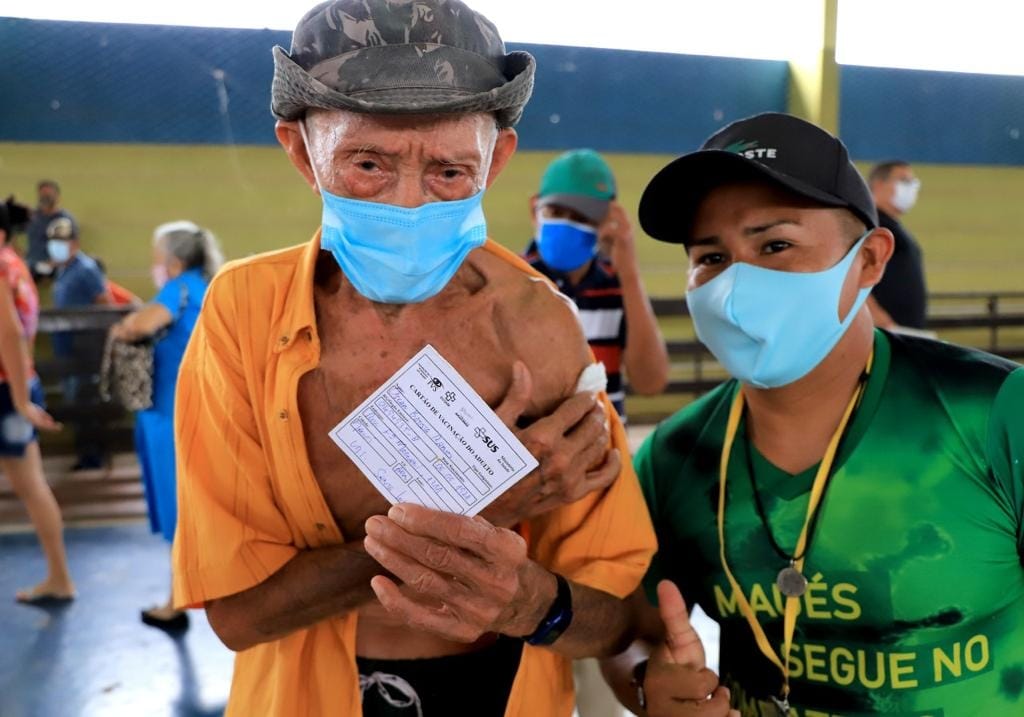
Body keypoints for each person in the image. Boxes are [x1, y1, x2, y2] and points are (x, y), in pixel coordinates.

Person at [171, 2, 656, 716]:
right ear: (302, 151)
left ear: (497, 159)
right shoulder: (245, 314)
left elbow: (617, 618)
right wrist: (477, 500)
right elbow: (238, 617)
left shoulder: (540, 325)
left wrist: (533, 603)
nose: (408, 204)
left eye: (450, 171)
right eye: (368, 163)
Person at [602, 112, 1024, 717]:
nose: (737, 282)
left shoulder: (992, 413)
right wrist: (648, 687)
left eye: (776, 245)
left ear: (871, 261)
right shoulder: (674, 457)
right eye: (711, 258)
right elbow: (633, 632)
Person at [109, 221, 222, 631]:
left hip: (171, 415)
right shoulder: (206, 285)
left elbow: (141, 325)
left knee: (178, 507)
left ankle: (177, 600)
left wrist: (125, 325)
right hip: (193, 408)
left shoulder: (180, 289)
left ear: (173, 262)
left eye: (158, 259)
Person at [524, 149, 669, 421]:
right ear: (535, 209)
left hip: (608, 455)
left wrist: (629, 273)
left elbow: (650, 382)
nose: (568, 223)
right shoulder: (512, 281)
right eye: (556, 211)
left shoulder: (618, 287)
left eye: (583, 217)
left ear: (608, 222)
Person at [0, 202, 75, 604]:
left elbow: (9, 334)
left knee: (30, 485)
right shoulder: (15, 264)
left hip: (6, 393)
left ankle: (61, 578)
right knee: (32, 485)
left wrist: (19, 400)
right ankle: (59, 577)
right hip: (17, 386)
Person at [47, 217, 113, 471]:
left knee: (86, 404)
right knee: (76, 403)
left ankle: (93, 457)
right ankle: (87, 454)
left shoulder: (85, 269)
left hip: (84, 352)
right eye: (54, 242)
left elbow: (104, 302)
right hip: (66, 352)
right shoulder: (63, 270)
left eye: (62, 242)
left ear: (74, 243)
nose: (57, 246)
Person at [867, 160, 927, 331]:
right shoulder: (872, 223)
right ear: (879, 184)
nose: (911, 188)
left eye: (913, 182)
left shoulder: (892, 225)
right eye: (904, 181)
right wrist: (881, 321)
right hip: (885, 333)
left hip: (903, 331)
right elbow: (853, 274)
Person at [25, 180, 77, 282]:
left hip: (57, 265)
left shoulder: (65, 219)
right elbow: (10, 233)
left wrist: (53, 263)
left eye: (48, 195)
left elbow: (73, 247)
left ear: (57, 196)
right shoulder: (31, 217)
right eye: (42, 195)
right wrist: (20, 255)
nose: (45, 198)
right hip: (32, 264)